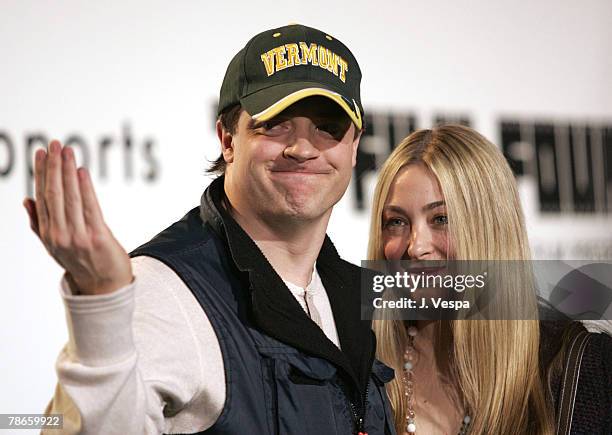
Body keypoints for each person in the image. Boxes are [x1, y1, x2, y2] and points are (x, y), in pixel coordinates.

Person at [24, 24, 396, 435]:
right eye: (275, 123)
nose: (303, 148)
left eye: (328, 127)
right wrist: (100, 303)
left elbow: (471, 303)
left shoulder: (361, 293)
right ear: (227, 138)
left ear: (355, 144)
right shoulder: (161, 288)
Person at [367, 125, 612, 435]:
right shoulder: (362, 361)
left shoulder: (578, 369)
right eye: (397, 222)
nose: (415, 246)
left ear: (490, 228)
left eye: (441, 219)